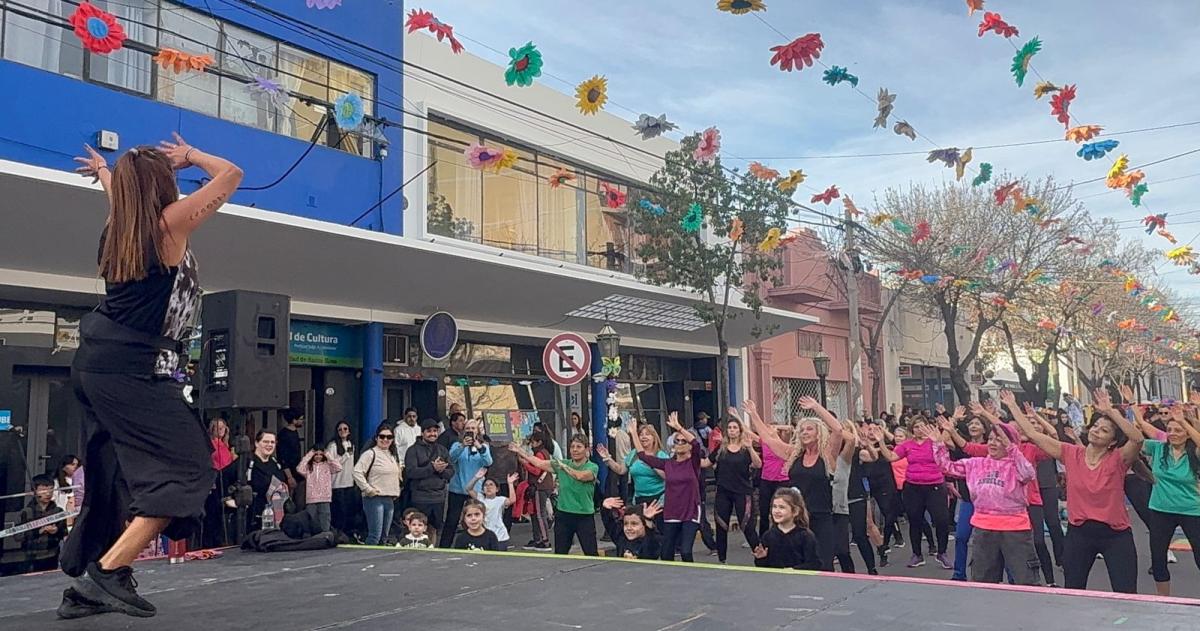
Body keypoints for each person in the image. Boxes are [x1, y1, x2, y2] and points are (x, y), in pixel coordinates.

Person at [60, 135, 241, 618]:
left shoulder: (119, 223)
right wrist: (195, 156)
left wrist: (104, 169)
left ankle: (84, 587)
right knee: (189, 468)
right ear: (161, 187)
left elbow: (116, 190)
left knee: (114, 473)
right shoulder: (167, 226)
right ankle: (110, 571)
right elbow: (232, 176)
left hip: (100, 363)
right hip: (133, 368)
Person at [1003, 389, 1143, 593]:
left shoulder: (1118, 459)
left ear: (1112, 441)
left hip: (1115, 535)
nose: (1096, 431)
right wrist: (1012, 405)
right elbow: (1033, 434)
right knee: (1073, 591)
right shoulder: (1071, 453)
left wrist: (1111, 412)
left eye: (1104, 430)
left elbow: (1137, 440)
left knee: (1126, 593)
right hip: (1079, 534)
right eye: (1095, 426)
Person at [932, 421, 1039, 584]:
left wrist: (1011, 447)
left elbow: (1028, 473)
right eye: (990, 439)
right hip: (984, 529)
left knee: (1024, 581)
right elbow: (946, 467)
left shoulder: (1016, 465)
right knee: (983, 583)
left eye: (999, 439)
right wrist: (938, 444)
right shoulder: (976, 463)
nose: (992, 443)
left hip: (1015, 530)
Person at [746, 397, 844, 571]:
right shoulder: (794, 454)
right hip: (797, 521)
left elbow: (837, 429)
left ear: (819, 433)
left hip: (821, 517)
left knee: (823, 565)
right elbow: (768, 439)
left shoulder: (827, 456)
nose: (804, 432)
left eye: (809, 429)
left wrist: (816, 407)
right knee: (794, 565)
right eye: (801, 430)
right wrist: (754, 414)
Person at [876, 415, 952, 570]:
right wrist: (881, 441)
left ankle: (942, 553)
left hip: (935, 486)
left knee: (941, 520)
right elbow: (891, 457)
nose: (919, 429)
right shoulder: (907, 445)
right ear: (912, 429)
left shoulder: (934, 441)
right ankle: (917, 554)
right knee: (915, 521)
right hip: (913, 487)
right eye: (916, 427)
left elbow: (945, 454)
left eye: (922, 426)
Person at [1139, 403, 1200, 596]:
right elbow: (1137, 437)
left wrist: (1185, 420)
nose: (1172, 433)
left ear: (1188, 434)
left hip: (1192, 510)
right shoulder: (1158, 449)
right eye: (1170, 429)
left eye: (1178, 430)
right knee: (1158, 559)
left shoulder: (1194, 453)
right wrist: (1135, 413)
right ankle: (1163, 601)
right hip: (1160, 510)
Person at [633, 412, 704, 562]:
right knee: (666, 553)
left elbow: (696, 444)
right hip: (672, 511)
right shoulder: (667, 464)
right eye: (676, 441)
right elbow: (643, 456)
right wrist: (634, 433)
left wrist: (679, 427)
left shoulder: (693, 463)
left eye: (683, 441)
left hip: (690, 511)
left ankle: (690, 577)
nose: (679, 443)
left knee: (685, 551)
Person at [510, 435, 598, 556]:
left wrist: (564, 467)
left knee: (591, 553)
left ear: (586, 449)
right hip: (564, 515)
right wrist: (520, 451)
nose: (575, 450)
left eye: (579, 447)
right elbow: (539, 463)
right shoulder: (562, 464)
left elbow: (580, 476)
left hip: (584, 516)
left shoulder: (592, 467)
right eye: (572, 447)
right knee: (560, 553)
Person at [711, 409, 761, 564]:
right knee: (721, 525)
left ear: (740, 431)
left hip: (742, 492)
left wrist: (751, 447)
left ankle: (760, 554)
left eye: (735, 428)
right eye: (730, 428)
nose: (732, 430)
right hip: (723, 492)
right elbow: (706, 462)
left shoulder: (745, 448)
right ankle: (722, 559)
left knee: (747, 525)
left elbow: (758, 464)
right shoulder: (721, 448)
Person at [441, 419, 493, 548]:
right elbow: (451, 459)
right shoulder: (457, 445)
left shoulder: (484, 447)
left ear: (478, 431)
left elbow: (488, 462)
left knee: (476, 518)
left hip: (475, 490)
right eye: (468, 429)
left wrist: (479, 447)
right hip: (457, 488)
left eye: (473, 429)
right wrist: (462, 446)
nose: (470, 431)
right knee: (452, 520)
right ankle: (444, 547)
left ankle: (477, 544)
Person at [404, 419, 454, 545]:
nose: (432, 434)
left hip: (438, 497)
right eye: (429, 431)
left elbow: (451, 472)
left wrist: (441, 470)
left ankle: (432, 550)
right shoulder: (412, 450)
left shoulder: (442, 450)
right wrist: (432, 468)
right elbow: (410, 472)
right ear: (422, 433)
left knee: (435, 529)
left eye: (435, 431)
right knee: (417, 528)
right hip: (420, 498)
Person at [354, 426, 403, 546]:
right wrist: (368, 489)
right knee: (375, 535)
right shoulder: (370, 454)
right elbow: (357, 472)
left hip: (390, 498)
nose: (385, 439)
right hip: (374, 498)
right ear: (376, 438)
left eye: (389, 437)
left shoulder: (393, 455)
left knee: (383, 537)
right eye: (382, 436)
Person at [752, 487, 821, 570]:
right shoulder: (768, 536)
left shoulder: (806, 536)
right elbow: (764, 568)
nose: (776, 511)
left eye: (782, 507)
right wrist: (761, 558)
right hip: (774, 581)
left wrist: (794, 570)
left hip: (799, 581)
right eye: (774, 507)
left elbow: (814, 564)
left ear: (795, 511)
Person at [19, 475, 67, 573]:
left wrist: (56, 530)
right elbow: (19, 536)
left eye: (51, 490)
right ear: (34, 492)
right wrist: (39, 531)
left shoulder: (58, 511)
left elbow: (64, 532)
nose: (48, 493)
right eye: (43, 490)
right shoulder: (27, 512)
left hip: (52, 554)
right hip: (31, 556)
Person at [245, 431, 288, 534]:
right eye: (265, 442)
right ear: (256, 443)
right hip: (252, 515)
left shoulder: (275, 463)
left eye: (272, 442)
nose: (269, 445)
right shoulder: (247, 462)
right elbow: (225, 477)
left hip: (274, 514)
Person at [520, 431, 557, 551]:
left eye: (533, 442)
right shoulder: (546, 452)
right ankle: (538, 539)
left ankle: (545, 540)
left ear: (539, 442)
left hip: (540, 487)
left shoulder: (540, 454)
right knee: (536, 513)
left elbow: (537, 471)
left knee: (540, 514)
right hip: (544, 486)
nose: (531, 445)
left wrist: (525, 464)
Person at [296, 444, 342, 534]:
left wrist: (327, 454)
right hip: (311, 498)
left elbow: (339, 467)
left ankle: (326, 536)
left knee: (325, 517)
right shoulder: (308, 467)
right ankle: (313, 537)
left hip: (325, 497)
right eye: (316, 454)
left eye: (320, 454)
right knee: (311, 518)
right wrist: (310, 454)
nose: (318, 456)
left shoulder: (328, 466)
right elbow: (299, 468)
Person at [468, 472, 519, 550]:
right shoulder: (480, 499)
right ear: (482, 489)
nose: (488, 487)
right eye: (485, 485)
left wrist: (510, 484)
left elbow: (512, 500)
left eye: (491, 485)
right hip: (484, 534)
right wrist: (476, 478)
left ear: (497, 489)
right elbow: (468, 489)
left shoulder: (500, 499)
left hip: (500, 535)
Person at [600, 497, 664, 559]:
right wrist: (605, 509)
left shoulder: (652, 542)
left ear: (644, 525)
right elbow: (610, 524)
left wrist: (648, 520)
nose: (629, 528)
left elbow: (652, 541)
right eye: (626, 524)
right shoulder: (621, 539)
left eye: (634, 524)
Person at [325, 421, 358, 538]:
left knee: (349, 510)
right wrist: (346, 456)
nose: (343, 431)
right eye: (340, 429)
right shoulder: (332, 446)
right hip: (337, 483)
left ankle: (348, 533)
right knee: (339, 511)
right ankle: (337, 533)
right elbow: (331, 464)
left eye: (345, 429)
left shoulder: (351, 444)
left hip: (349, 482)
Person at [276, 409, 304, 494]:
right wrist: (289, 477)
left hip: (296, 472)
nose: (303, 421)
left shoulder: (294, 432)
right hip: (289, 474)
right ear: (294, 420)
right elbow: (283, 457)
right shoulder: (284, 435)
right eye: (301, 419)